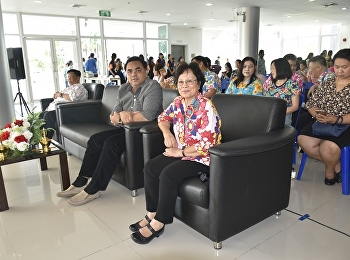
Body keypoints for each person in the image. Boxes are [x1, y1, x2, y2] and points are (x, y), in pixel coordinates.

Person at [129, 61, 221, 244]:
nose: (184, 86)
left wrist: (181, 152)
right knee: (150, 168)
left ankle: (159, 222)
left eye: (189, 81)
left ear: (199, 83)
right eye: (181, 82)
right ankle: (152, 212)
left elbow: (209, 142)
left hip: (200, 157)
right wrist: (166, 132)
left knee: (168, 174)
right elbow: (163, 118)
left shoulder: (207, 107)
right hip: (180, 152)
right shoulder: (178, 102)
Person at [56, 56, 163, 205]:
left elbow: (147, 115)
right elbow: (113, 116)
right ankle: (81, 180)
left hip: (145, 134)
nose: (133, 74)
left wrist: (126, 115)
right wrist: (121, 116)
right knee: (95, 140)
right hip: (124, 130)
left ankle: (94, 189)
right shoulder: (124, 88)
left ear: (146, 70)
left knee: (111, 143)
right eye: (129, 71)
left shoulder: (153, 87)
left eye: (138, 70)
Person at [298, 48, 350, 186]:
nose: (340, 71)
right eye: (337, 67)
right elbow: (312, 104)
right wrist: (317, 115)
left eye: (344, 67)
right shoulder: (329, 82)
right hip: (324, 122)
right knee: (303, 139)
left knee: (328, 147)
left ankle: (329, 172)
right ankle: (336, 165)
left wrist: (337, 119)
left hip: (345, 124)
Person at [42, 69, 88, 138]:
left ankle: (47, 140)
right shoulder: (68, 88)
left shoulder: (80, 88)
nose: (69, 79)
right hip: (56, 108)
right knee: (40, 116)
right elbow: (57, 96)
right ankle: (38, 140)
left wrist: (60, 95)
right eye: (68, 77)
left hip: (67, 111)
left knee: (48, 115)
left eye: (71, 77)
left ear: (78, 78)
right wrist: (56, 95)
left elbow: (73, 98)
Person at [264, 58, 300, 125]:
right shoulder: (270, 84)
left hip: (284, 115)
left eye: (273, 68)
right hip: (269, 115)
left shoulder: (292, 84)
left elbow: (295, 106)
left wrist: (278, 112)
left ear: (280, 68)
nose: (271, 71)